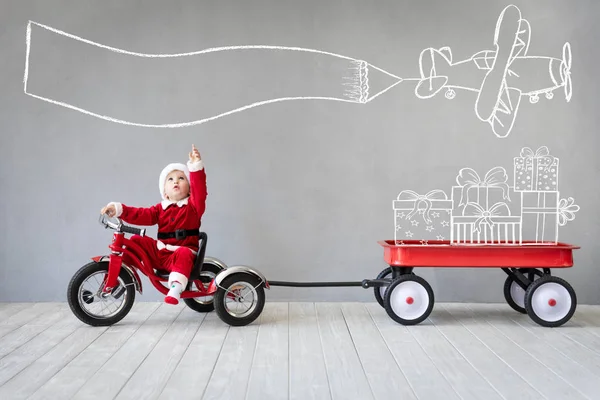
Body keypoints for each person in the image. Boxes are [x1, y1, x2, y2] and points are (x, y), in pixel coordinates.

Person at [100, 144, 208, 305]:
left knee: (185, 253)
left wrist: (195, 167)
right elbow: (140, 214)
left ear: (190, 189)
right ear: (164, 191)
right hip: (160, 253)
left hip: (180, 255)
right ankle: (123, 274)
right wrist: (118, 210)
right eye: (170, 179)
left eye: (181, 178)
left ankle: (176, 287)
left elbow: (200, 190)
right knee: (135, 241)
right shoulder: (160, 209)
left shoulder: (193, 207)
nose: (175, 181)